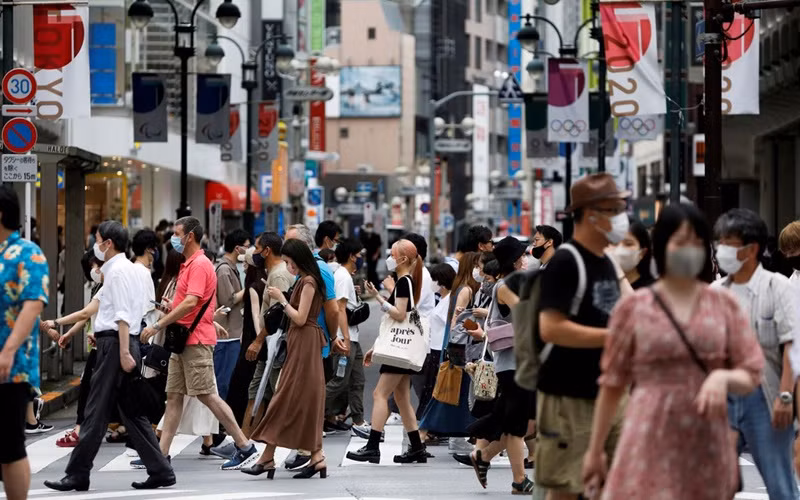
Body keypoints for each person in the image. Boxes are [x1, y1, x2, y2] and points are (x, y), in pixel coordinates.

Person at [582, 203, 765, 500]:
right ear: (663, 246)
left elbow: (752, 371)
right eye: (681, 241)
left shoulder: (724, 304)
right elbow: (612, 384)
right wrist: (595, 450)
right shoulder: (634, 307)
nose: (689, 249)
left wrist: (722, 379)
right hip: (647, 429)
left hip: (707, 437)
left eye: (697, 242)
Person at [45, 221, 174, 492]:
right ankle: (161, 469)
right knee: (132, 413)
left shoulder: (116, 272)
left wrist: (125, 351)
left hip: (115, 346)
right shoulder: (125, 269)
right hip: (117, 344)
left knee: (95, 411)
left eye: (97, 239)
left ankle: (78, 473)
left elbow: (123, 314)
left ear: (108, 243)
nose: (96, 244)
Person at [535, 173, 630, 500]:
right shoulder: (567, 261)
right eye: (615, 209)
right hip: (567, 396)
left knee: (610, 484)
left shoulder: (605, 261)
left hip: (607, 393)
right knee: (566, 487)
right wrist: (613, 337)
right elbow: (550, 327)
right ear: (591, 214)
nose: (622, 216)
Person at [140, 217, 256, 470]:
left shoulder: (200, 265)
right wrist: (170, 307)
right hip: (182, 342)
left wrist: (158, 325)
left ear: (189, 236)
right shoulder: (188, 264)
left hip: (195, 342)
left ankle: (245, 446)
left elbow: (192, 302)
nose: (173, 238)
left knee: (207, 395)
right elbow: (190, 303)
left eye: (176, 234)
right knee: (173, 397)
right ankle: (162, 455)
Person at [711, 208, 799, 499]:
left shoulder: (779, 288)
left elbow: (791, 346)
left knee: (780, 483)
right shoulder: (715, 293)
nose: (721, 250)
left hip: (766, 397)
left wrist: (786, 397)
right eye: (720, 242)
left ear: (752, 249)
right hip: (722, 400)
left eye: (729, 243)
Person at [242, 239, 329, 479]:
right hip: (302, 343)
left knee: (285, 397)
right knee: (298, 400)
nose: (288, 267)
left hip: (305, 342)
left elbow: (300, 318)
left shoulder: (309, 281)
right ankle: (314, 457)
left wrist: (281, 298)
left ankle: (270, 457)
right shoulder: (306, 280)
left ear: (298, 260)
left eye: (289, 262)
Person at [347, 239, 428, 465]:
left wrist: (379, 299)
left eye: (392, 254)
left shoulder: (404, 282)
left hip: (399, 350)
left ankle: (373, 446)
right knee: (401, 397)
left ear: (402, 259)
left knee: (379, 395)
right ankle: (417, 449)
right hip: (400, 347)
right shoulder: (407, 281)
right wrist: (377, 346)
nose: (389, 258)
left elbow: (400, 315)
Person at [463, 236, 534, 494]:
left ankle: (484, 456)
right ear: (513, 260)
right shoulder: (504, 286)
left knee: (520, 422)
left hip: (521, 363)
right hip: (512, 365)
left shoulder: (511, 283)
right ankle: (519, 480)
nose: (525, 260)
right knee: (516, 426)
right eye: (522, 256)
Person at [0, 186, 49, 500]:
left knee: (8, 444)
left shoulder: (28, 253)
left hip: (10, 367)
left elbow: (34, 303)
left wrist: (8, 350)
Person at [241, 232, 294, 437]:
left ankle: (284, 440)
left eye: (256, 248)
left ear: (267, 251)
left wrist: (258, 340)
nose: (254, 252)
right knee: (258, 392)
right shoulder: (275, 272)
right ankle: (246, 441)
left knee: (273, 393)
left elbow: (277, 316)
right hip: (271, 345)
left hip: (275, 345)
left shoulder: (279, 274)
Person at [324, 238, 366, 432]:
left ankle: (358, 421)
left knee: (357, 381)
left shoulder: (346, 276)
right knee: (339, 381)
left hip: (352, 338)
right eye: (359, 255)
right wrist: (345, 339)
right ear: (351, 256)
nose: (361, 258)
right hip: (344, 338)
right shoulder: (342, 276)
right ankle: (311, 413)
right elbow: (339, 309)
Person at [214, 229, 250, 402]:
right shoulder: (224, 270)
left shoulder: (231, 268)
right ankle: (217, 422)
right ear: (237, 248)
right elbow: (227, 300)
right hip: (226, 335)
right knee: (222, 380)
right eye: (247, 247)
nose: (248, 251)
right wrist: (249, 288)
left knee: (227, 379)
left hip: (232, 333)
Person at [610, 220, 656, 289]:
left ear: (642, 253)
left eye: (628, 244)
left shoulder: (652, 289)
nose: (619, 249)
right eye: (614, 242)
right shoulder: (601, 285)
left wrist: (621, 277)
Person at [360, 222, 382, 287]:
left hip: (374, 256)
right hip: (367, 256)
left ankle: (376, 285)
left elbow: (378, 247)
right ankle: (369, 284)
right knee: (368, 270)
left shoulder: (376, 236)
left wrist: (376, 255)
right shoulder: (364, 236)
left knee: (373, 270)